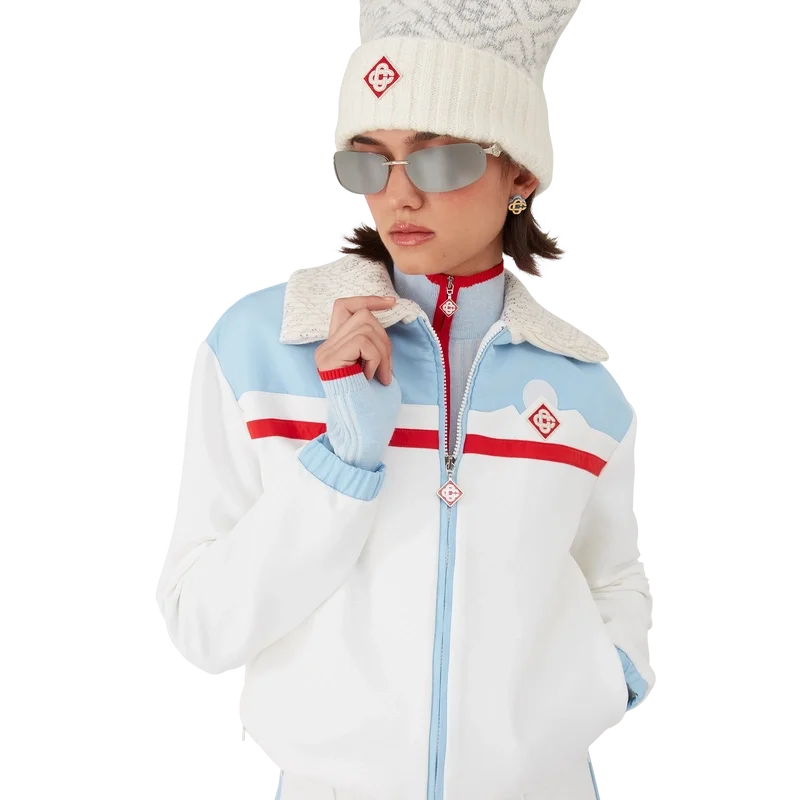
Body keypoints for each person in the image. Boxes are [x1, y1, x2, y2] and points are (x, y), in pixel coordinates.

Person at [158, 2, 656, 798]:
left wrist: (607, 682)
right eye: (369, 164)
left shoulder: (583, 380)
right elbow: (198, 628)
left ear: (520, 175)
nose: (398, 196)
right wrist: (341, 465)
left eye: (438, 160)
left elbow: (618, 580)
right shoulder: (263, 347)